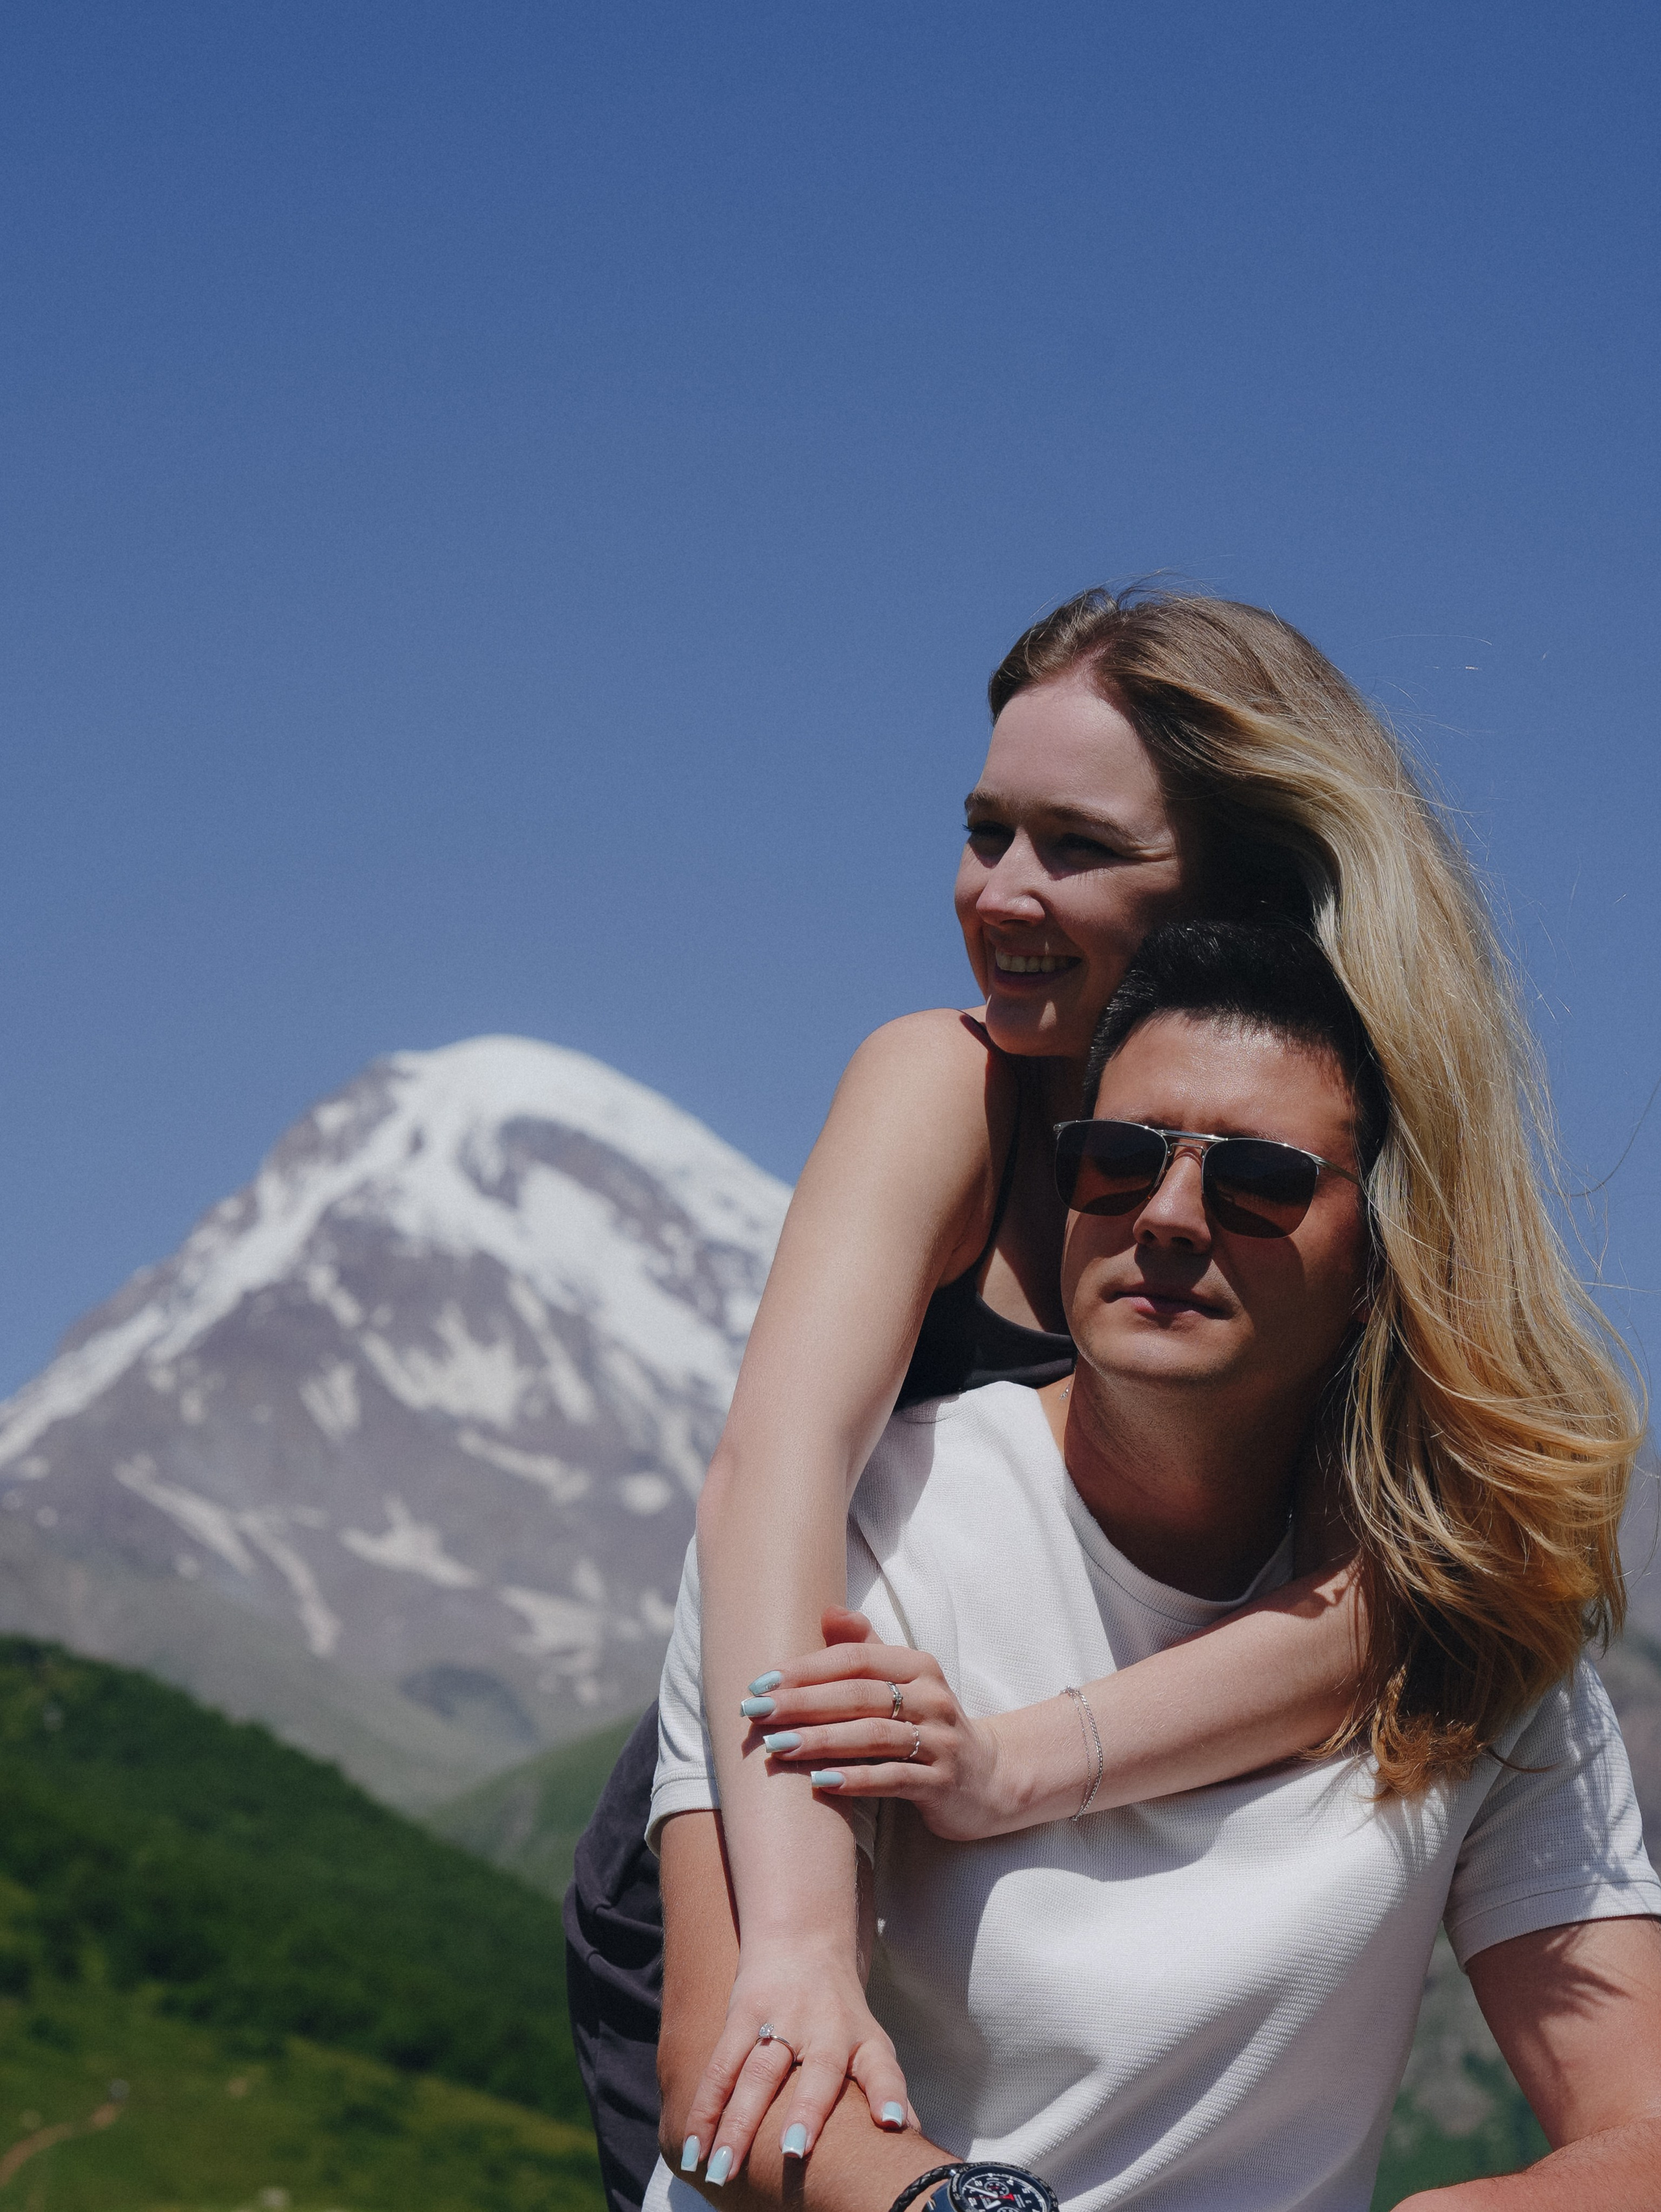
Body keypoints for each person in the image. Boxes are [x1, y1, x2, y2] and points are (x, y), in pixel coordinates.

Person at [564, 587, 1590, 2205]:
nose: (999, 893)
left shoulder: (1356, 1175)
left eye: (1074, 846)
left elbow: (1396, 1608)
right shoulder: (942, 1082)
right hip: (801, 1788)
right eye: (983, 832)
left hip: (1015, 1777)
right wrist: (806, 1947)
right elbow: (772, 1476)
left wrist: (1025, 1762)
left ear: (1237, 886)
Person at [651, 922, 1657, 2212]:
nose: (1169, 1217)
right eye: (1116, 1162)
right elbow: (714, 2083)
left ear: (1377, 1256)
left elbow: (1638, 2129)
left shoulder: (1473, 1631)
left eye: (1258, 1182)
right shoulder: (851, 1544)